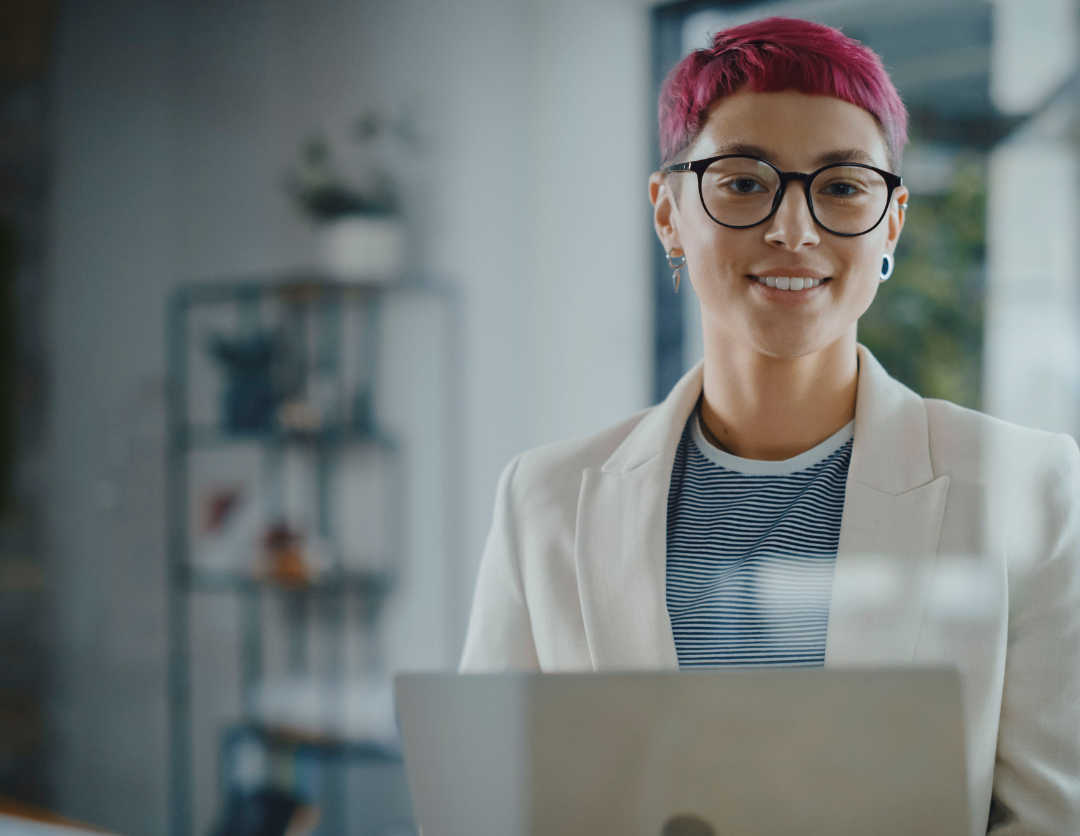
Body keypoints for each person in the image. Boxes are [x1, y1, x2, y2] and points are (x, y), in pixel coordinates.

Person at [459, 16, 1080, 834]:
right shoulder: (541, 497)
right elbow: (484, 811)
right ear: (669, 213)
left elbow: (1051, 819)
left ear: (891, 222)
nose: (795, 229)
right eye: (745, 182)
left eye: (843, 186)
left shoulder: (1028, 484)